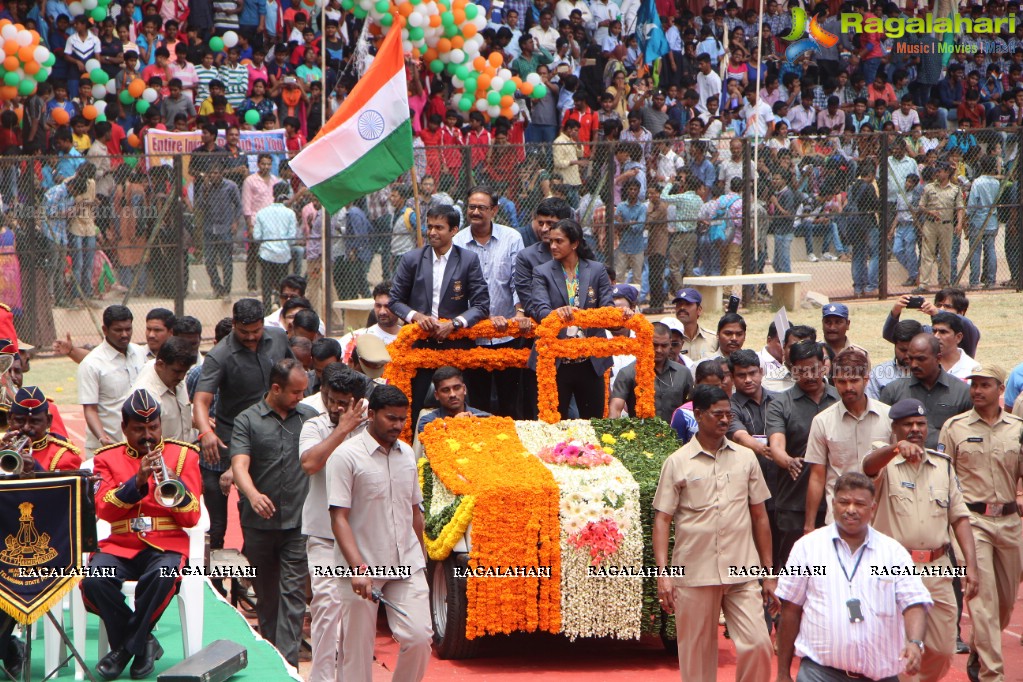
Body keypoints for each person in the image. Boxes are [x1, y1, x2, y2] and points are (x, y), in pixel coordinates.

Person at [653, 384, 777, 682]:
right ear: (698, 415)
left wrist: (769, 573)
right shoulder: (677, 462)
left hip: (742, 570)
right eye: (718, 414)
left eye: (728, 414)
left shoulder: (746, 458)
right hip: (694, 572)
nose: (725, 420)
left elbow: (760, 517)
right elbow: (662, 520)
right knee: (696, 657)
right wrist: (662, 574)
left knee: (759, 643)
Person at [83, 389, 202, 681]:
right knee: (95, 579)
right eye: (138, 429)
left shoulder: (183, 455)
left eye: (153, 427)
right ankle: (143, 643)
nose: (147, 435)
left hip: (166, 546)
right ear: (124, 428)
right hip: (119, 546)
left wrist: (173, 485)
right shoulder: (106, 458)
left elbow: (192, 516)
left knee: (162, 576)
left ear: (161, 424)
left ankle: (124, 650)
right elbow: (104, 510)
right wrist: (136, 481)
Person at [862, 398, 980, 682]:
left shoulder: (942, 466)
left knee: (942, 646)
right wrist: (894, 449)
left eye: (920, 424)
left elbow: (959, 518)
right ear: (895, 428)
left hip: (938, 567)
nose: (915, 429)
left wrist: (971, 567)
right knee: (899, 646)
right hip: (894, 568)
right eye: (907, 424)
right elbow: (867, 467)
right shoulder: (884, 461)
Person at [775, 472, 933, 682]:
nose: (851, 509)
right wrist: (783, 673)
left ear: (872, 508)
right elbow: (790, 610)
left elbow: (914, 602)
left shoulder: (894, 552)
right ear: (833, 504)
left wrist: (915, 642)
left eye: (859, 504)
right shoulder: (806, 548)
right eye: (844, 502)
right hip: (819, 674)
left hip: (881, 676)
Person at [327, 384, 433, 682]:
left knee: (419, 637)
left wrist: (422, 559)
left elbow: (414, 511)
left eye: (402, 419)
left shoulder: (408, 454)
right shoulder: (345, 456)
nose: (398, 425)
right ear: (371, 414)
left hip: (407, 564)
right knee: (357, 653)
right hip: (362, 567)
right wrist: (357, 567)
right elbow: (339, 518)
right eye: (391, 418)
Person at [230, 359, 317, 668]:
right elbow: (239, 465)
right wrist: (252, 495)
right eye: (295, 392)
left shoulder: (309, 418)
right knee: (267, 598)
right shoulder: (247, 420)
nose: (301, 398)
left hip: (298, 523)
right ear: (276, 388)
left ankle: (286, 665)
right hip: (258, 525)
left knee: (293, 595)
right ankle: (271, 658)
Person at [938, 365, 1023, 682]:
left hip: (1010, 521)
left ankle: (978, 648)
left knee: (1004, 603)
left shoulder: (1017, 428)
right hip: (972, 521)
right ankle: (992, 674)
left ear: (1000, 389)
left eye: (985, 385)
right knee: (983, 599)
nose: (977, 390)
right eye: (974, 385)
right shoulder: (954, 427)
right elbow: (942, 476)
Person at [193, 299, 294, 555]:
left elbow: (295, 373)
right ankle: (217, 575)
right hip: (231, 440)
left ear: (264, 324)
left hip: (274, 435)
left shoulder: (279, 339)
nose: (251, 338)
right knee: (224, 518)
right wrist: (206, 433)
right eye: (244, 332)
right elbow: (201, 401)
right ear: (234, 324)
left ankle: (252, 567)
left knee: (263, 507)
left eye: (256, 331)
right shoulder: (220, 355)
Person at [388, 205, 490, 424]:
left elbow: (481, 305)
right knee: (412, 405)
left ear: (454, 230)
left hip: (457, 345)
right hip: (420, 345)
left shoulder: (468, 260)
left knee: (465, 405)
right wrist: (416, 317)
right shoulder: (412, 259)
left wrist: (454, 323)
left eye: (439, 228)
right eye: (430, 226)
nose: (432, 232)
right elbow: (394, 301)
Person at [298, 365, 369, 682]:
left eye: (344, 402)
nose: (337, 407)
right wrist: (342, 429)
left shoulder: (373, 428)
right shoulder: (313, 426)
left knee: (358, 616)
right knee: (326, 607)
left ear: (358, 400)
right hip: (324, 536)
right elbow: (310, 464)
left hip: (364, 538)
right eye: (331, 399)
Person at [529, 219, 625, 419]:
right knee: (554, 425)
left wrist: (620, 315)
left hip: (591, 361)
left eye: (559, 241)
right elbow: (540, 310)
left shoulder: (597, 270)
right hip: (556, 361)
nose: (553, 246)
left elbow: (607, 307)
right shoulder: (542, 272)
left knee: (594, 423)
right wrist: (557, 314)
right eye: (551, 241)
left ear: (574, 243)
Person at [453, 186, 528, 419]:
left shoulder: (512, 238)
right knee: (477, 401)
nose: (475, 212)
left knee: (509, 401)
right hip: (472, 335)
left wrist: (519, 314)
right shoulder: (457, 241)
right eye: (471, 207)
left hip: (508, 333)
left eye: (482, 208)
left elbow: (519, 280)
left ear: (494, 210)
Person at [767, 340, 839, 567]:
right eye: (801, 370)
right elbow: (776, 446)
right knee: (795, 572)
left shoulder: (840, 399)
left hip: (835, 504)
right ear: (791, 369)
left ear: (824, 366)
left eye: (814, 368)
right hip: (793, 505)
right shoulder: (780, 404)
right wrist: (787, 460)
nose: (809, 375)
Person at [804, 349, 892, 531]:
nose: (848, 387)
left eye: (854, 380)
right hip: (838, 520)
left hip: (881, 519)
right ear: (834, 381)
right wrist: (809, 525)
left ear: (866, 379)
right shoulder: (822, 421)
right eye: (842, 381)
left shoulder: (889, 417)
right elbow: (817, 476)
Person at [512, 198, 574, 419]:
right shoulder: (527, 257)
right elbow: (529, 301)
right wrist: (557, 317)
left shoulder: (581, 253)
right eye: (541, 223)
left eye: (551, 223)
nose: (545, 229)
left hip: (580, 344)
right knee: (539, 410)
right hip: (541, 338)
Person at [880, 334, 972, 450]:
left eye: (921, 359)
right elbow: (883, 434)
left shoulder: (962, 392)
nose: (913, 365)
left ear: (938, 358)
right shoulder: (893, 391)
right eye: (911, 358)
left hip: (947, 464)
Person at [78, 305, 148, 457]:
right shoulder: (91, 364)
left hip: (136, 446)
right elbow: (90, 409)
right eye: (118, 330)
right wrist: (102, 438)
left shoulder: (139, 353)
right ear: (105, 330)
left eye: (128, 329)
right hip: (106, 448)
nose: (124, 334)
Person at [610, 321, 692, 422]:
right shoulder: (627, 373)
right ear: (645, 342)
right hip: (641, 435)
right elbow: (616, 409)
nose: (659, 350)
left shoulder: (683, 373)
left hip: (677, 435)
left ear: (670, 344)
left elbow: (691, 408)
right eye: (654, 345)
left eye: (664, 345)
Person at [129, 337, 197, 442]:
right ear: (160, 365)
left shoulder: (172, 374)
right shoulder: (145, 397)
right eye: (177, 372)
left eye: (185, 372)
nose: (182, 377)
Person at [412, 366, 491, 453]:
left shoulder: (484, 418)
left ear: (464, 389)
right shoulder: (427, 421)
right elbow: (436, 445)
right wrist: (455, 424)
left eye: (457, 388)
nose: (452, 394)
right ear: (436, 395)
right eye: (446, 390)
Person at [2, 386, 82, 471]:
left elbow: (63, 484)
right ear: (9, 418)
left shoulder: (62, 456)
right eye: (20, 421)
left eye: (35, 421)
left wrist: (36, 469)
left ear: (48, 421)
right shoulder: (2, 445)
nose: (26, 428)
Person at [254, 182, 299, 315]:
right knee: (283, 286)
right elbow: (292, 237)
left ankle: (267, 312)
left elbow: (257, 236)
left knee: (266, 285)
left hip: (266, 254)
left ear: (273, 194)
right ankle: (281, 310)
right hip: (283, 255)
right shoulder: (290, 213)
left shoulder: (262, 213)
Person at [867, 320, 922, 400]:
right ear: (895, 345)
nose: (907, 355)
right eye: (903, 350)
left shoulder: (930, 373)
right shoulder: (878, 374)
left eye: (912, 350)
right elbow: (873, 406)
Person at [669, 287, 717, 361]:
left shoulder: (713, 339)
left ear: (699, 310)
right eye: (679, 304)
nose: (682, 307)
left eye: (688, 304)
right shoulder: (668, 340)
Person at [931, 312, 980, 380]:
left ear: (958, 337)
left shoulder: (973, 369)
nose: (936, 336)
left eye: (943, 332)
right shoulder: (925, 365)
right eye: (934, 331)